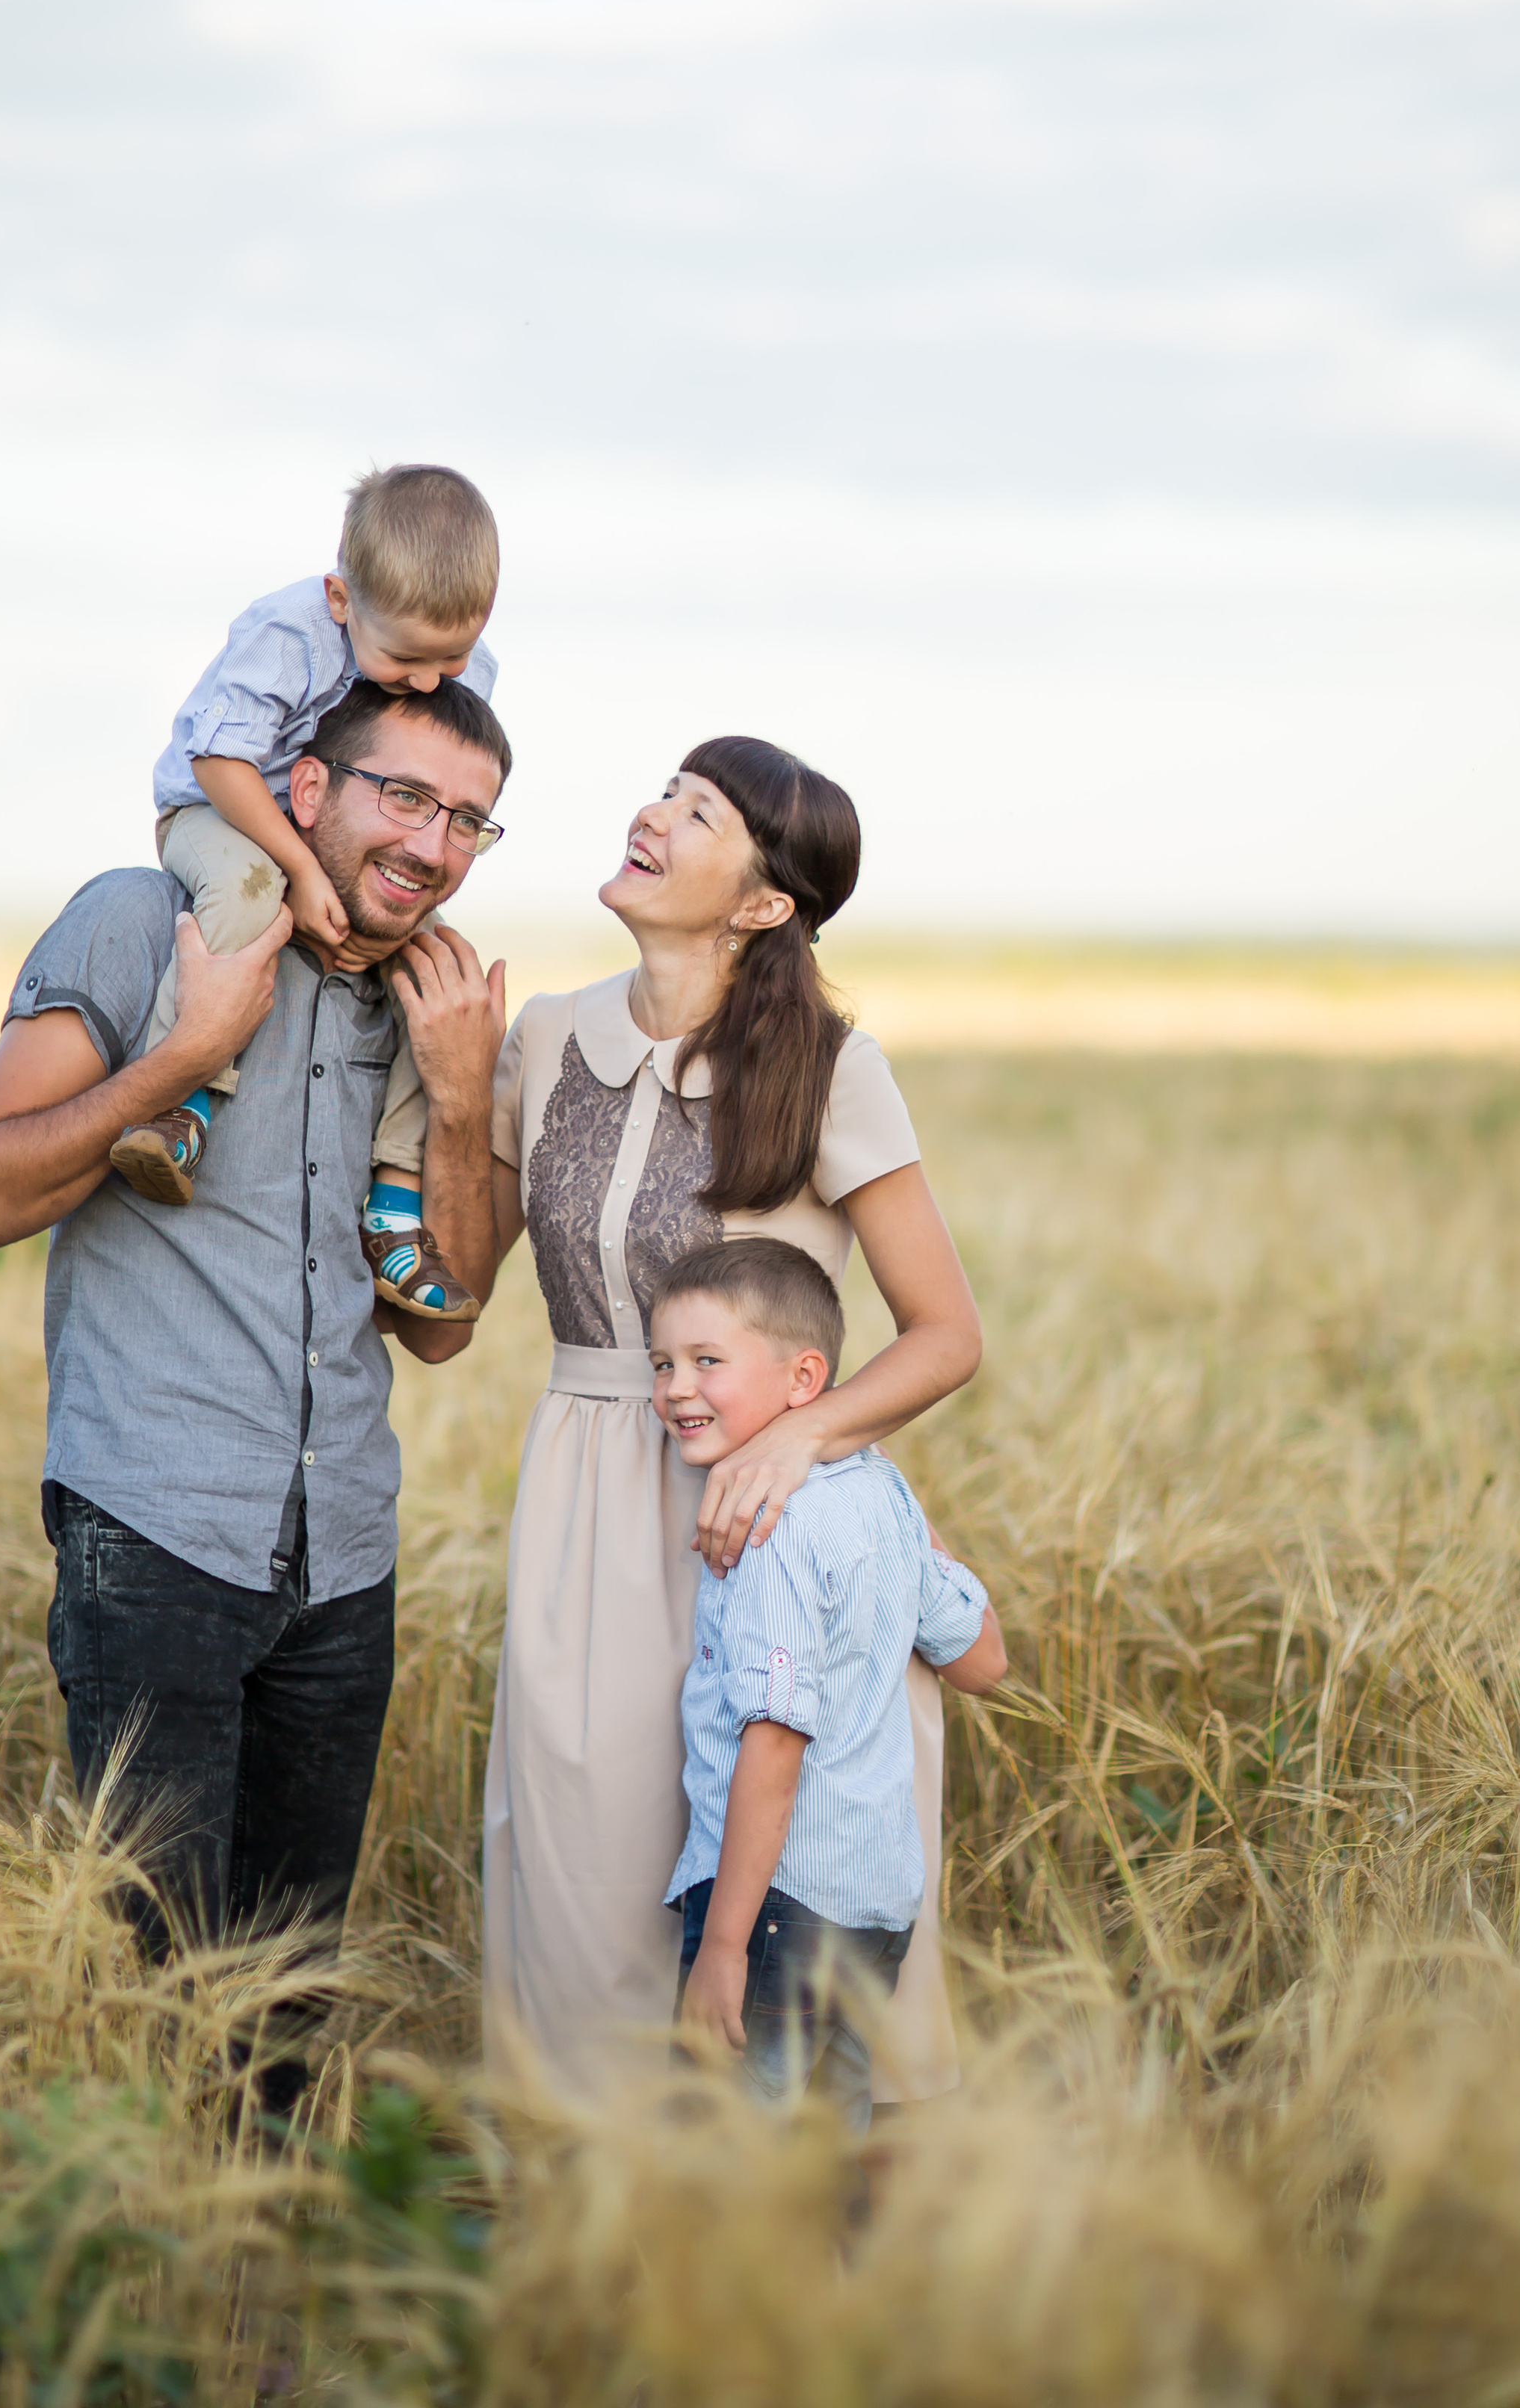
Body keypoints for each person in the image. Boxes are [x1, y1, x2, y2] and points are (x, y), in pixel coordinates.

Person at [0, 674, 509, 2110]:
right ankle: (154, 2305)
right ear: (304, 792)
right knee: (150, 1993)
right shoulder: (145, 922)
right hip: (156, 1540)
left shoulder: (421, 1004)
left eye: (471, 824)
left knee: (284, 2014)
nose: (434, 846)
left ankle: (254, 2301)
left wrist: (456, 1099)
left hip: (344, 1563)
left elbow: (440, 1324)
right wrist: (183, 1057)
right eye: (407, 798)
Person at [480, 734, 984, 2095]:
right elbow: (452, 1298)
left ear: (764, 904)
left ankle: (797, 2262)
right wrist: (447, 1072)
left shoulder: (831, 1068)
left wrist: (794, 1442)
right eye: (665, 792)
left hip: (764, 1528)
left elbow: (947, 1334)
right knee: (593, 1914)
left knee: (776, 1924)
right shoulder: (542, 1038)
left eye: (696, 814)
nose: (652, 815)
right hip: (585, 1515)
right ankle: (616, 2246)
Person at [114, 462, 501, 1323]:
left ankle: (395, 1203)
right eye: (406, 658)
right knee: (249, 900)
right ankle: (185, 1105)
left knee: (430, 976)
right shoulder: (284, 636)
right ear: (339, 598)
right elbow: (221, 763)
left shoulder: (441, 656)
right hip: (226, 811)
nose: (433, 682)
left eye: (454, 657)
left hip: (334, 838)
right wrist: (297, 870)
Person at [652, 1238, 1006, 2133]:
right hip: (876, 1909)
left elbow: (774, 1741)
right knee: (822, 2159)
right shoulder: (882, 1495)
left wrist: (724, 1946)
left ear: (805, 1378)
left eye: (706, 1362)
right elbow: (982, 1663)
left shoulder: (772, 1528)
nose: (674, 1389)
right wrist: (911, 1552)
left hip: (778, 1911)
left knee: (732, 2163)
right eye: (661, 1363)